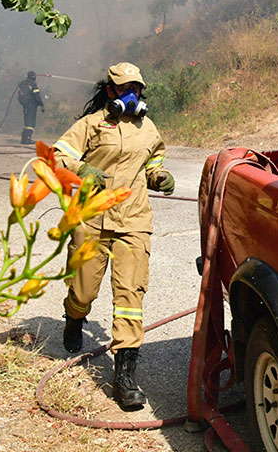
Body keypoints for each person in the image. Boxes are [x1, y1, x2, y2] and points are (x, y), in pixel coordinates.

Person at [52, 62, 175, 410]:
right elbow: (58, 157)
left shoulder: (147, 128)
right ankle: (74, 316)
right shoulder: (90, 125)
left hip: (133, 221)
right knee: (83, 289)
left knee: (130, 296)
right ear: (110, 91)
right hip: (91, 219)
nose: (130, 94)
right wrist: (81, 168)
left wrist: (159, 177)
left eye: (135, 88)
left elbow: (153, 163)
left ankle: (125, 379)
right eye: (123, 89)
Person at [17, 70, 44, 144]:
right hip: (31, 105)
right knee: (31, 123)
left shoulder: (23, 83)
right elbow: (37, 97)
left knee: (26, 121)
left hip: (25, 105)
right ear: (34, 77)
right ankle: (27, 139)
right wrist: (41, 105)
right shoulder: (33, 84)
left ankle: (24, 138)